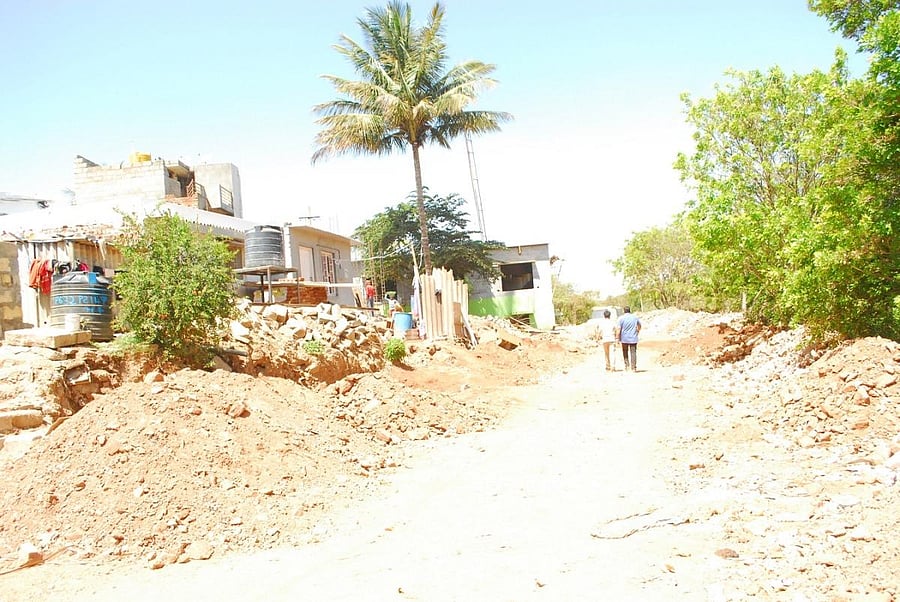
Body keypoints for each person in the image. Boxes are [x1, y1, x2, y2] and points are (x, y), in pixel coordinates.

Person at [616, 306, 642, 372]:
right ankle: (633, 367)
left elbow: (618, 329)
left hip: (624, 338)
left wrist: (617, 338)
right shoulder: (635, 317)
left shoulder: (621, 318)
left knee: (625, 351)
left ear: (624, 311)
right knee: (633, 352)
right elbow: (639, 325)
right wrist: (637, 331)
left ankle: (627, 366)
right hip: (633, 337)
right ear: (629, 310)